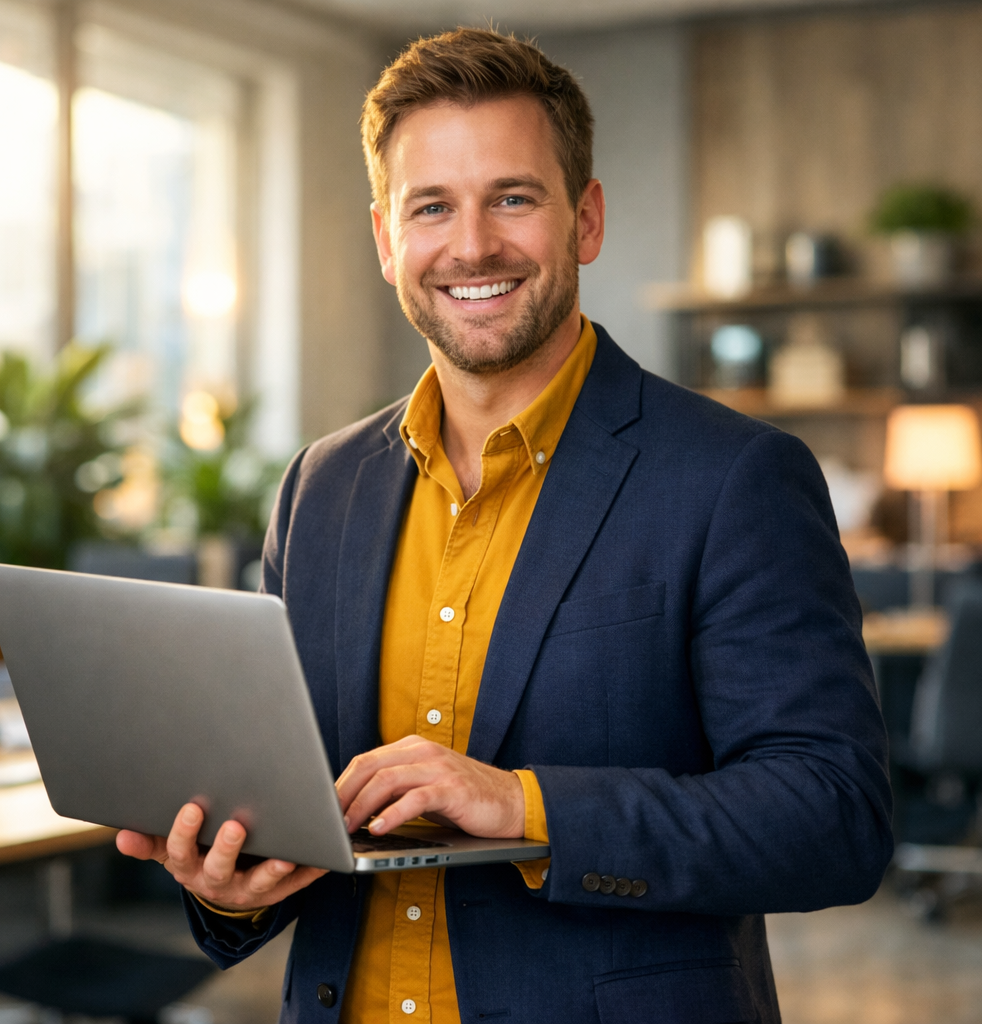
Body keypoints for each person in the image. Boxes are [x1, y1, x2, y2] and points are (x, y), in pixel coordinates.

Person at [117, 28, 892, 1023]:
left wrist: (522, 807)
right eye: (430, 206)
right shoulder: (320, 486)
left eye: (512, 197)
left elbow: (831, 816)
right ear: (387, 240)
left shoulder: (732, 477)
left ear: (586, 219)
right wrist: (225, 885)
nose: (472, 244)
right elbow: (292, 794)